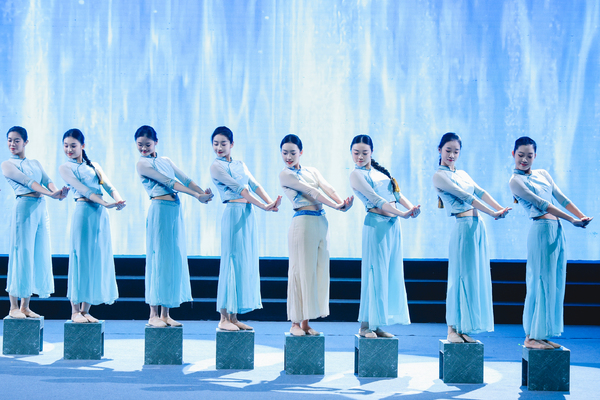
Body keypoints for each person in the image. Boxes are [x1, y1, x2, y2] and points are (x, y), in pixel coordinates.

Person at [509, 136, 592, 349]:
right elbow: (543, 204)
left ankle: (542, 334)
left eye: (529, 156)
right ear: (513, 154)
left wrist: (581, 216)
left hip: (556, 230)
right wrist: (572, 220)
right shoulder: (515, 181)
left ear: (535, 156)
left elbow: (561, 198)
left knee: (554, 281)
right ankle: (531, 337)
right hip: (541, 231)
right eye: (521, 155)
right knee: (539, 281)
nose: (524, 160)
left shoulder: (543, 174)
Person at [432, 132, 511, 343]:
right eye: (448, 150)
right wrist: (492, 213)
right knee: (460, 276)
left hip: (477, 227)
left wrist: (499, 208)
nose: (451, 155)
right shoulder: (439, 176)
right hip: (464, 227)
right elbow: (466, 196)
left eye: (456, 151)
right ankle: (452, 329)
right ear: (440, 150)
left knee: (473, 277)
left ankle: (463, 327)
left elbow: (480, 191)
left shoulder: (463, 173)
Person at [135, 125, 213, 327]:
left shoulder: (166, 160)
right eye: (140, 145)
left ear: (156, 142)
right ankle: (153, 314)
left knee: (171, 260)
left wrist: (202, 193)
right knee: (158, 258)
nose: (143, 148)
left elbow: (185, 179)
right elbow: (169, 182)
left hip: (173, 211)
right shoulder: (142, 164)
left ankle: (165, 313)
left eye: (147, 144)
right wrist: (196, 196)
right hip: (159, 210)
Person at [279, 134, 353, 336]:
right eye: (284, 153)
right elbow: (312, 192)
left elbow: (327, 188)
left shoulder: (312, 170)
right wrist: (337, 206)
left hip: (321, 221)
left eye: (292, 153)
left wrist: (342, 203)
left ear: (300, 152)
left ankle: (305, 322)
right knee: (299, 271)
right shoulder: (285, 175)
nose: (288, 157)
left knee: (315, 271)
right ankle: (295, 323)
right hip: (302, 222)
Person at [210, 126, 281, 331]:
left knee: (242, 262)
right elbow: (240, 189)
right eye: (215, 144)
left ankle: (234, 317)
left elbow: (254, 185)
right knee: (231, 262)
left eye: (223, 143)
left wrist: (270, 202)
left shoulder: (240, 164)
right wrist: (264, 206)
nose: (219, 147)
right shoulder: (216, 166)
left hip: (247, 214)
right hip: (233, 213)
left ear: (231, 144)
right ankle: (223, 317)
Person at [349, 135, 421, 338]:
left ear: (371, 152)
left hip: (392, 226)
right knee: (375, 273)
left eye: (364, 152)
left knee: (389, 273)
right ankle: (365, 326)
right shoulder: (356, 175)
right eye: (356, 153)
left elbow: (397, 195)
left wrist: (411, 208)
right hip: (376, 226)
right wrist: (402, 214)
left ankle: (377, 323)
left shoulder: (381, 172)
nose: (360, 156)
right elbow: (377, 200)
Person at [59, 129, 125, 323]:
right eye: (66, 146)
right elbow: (85, 190)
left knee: (95, 259)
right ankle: (74, 311)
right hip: (84, 211)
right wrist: (105, 203)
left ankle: (85, 310)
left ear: (83, 146)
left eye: (73, 145)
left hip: (99, 214)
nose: (69, 149)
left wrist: (118, 200)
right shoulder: (65, 168)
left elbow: (108, 186)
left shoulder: (94, 166)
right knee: (80, 258)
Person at [1, 126, 68, 319]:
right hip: (24, 207)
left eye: (16, 140)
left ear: (25, 142)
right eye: (9, 140)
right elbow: (28, 182)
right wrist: (52, 194)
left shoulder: (35, 163)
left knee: (35, 253)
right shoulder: (7, 164)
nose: (12, 144)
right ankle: (13, 307)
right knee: (21, 253)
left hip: (40, 208)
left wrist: (57, 192)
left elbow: (47, 180)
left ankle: (25, 306)